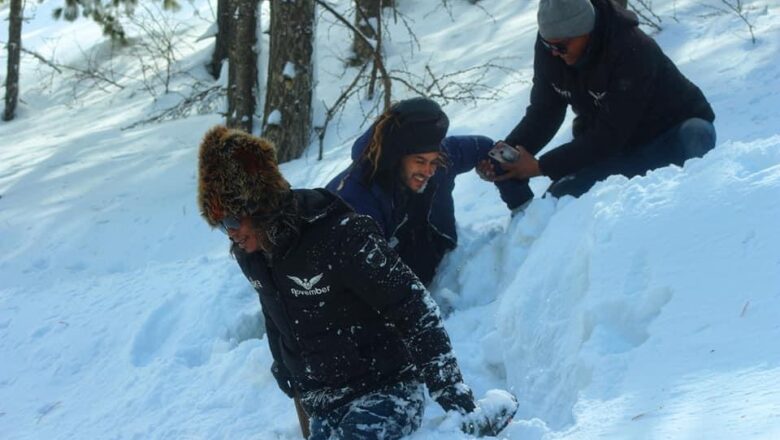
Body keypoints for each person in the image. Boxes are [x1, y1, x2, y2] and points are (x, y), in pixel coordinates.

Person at [196, 125, 517, 439]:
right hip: (325, 403)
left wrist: (457, 400)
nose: (231, 232)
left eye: (233, 220)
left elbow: (415, 308)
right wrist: (286, 367)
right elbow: (274, 308)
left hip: (386, 391)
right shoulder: (251, 253)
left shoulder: (339, 234)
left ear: (260, 204)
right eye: (220, 224)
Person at [487, 0, 716, 198]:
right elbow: (545, 111)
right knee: (559, 197)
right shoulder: (553, 45)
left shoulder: (631, 49)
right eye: (547, 45)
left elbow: (611, 133)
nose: (554, 53)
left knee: (697, 135)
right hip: (618, 150)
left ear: (586, 33)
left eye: (560, 47)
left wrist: (540, 166)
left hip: (669, 134)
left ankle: (696, 206)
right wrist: (506, 154)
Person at [326, 97, 532, 286]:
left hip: (435, 248)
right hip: (390, 280)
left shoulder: (439, 160)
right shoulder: (356, 198)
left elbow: (490, 149)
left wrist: (524, 208)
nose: (428, 170)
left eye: (434, 161)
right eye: (420, 162)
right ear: (396, 158)